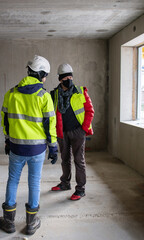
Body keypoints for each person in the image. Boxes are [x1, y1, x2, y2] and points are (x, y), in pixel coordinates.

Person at [0, 55, 58, 235]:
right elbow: (50, 124)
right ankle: (31, 222)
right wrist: (53, 146)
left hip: (16, 147)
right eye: (45, 75)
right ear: (40, 74)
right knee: (34, 182)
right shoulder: (44, 96)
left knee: (13, 180)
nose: (45, 78)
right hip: (37, 149)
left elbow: (5, 120)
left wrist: (8, 140)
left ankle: (8, 221)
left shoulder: (11, 93)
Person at [50, 63, 94, 201]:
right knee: (65, 159)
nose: (68, 79)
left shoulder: (80, 91)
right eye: (65, 77)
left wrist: (83, 130)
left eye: (70, 76)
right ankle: (65, 183)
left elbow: (90, 111)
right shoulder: (54, 94)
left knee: (79, 161)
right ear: (60, 79)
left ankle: (80, 189)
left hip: (77, 132)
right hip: (62, 132)